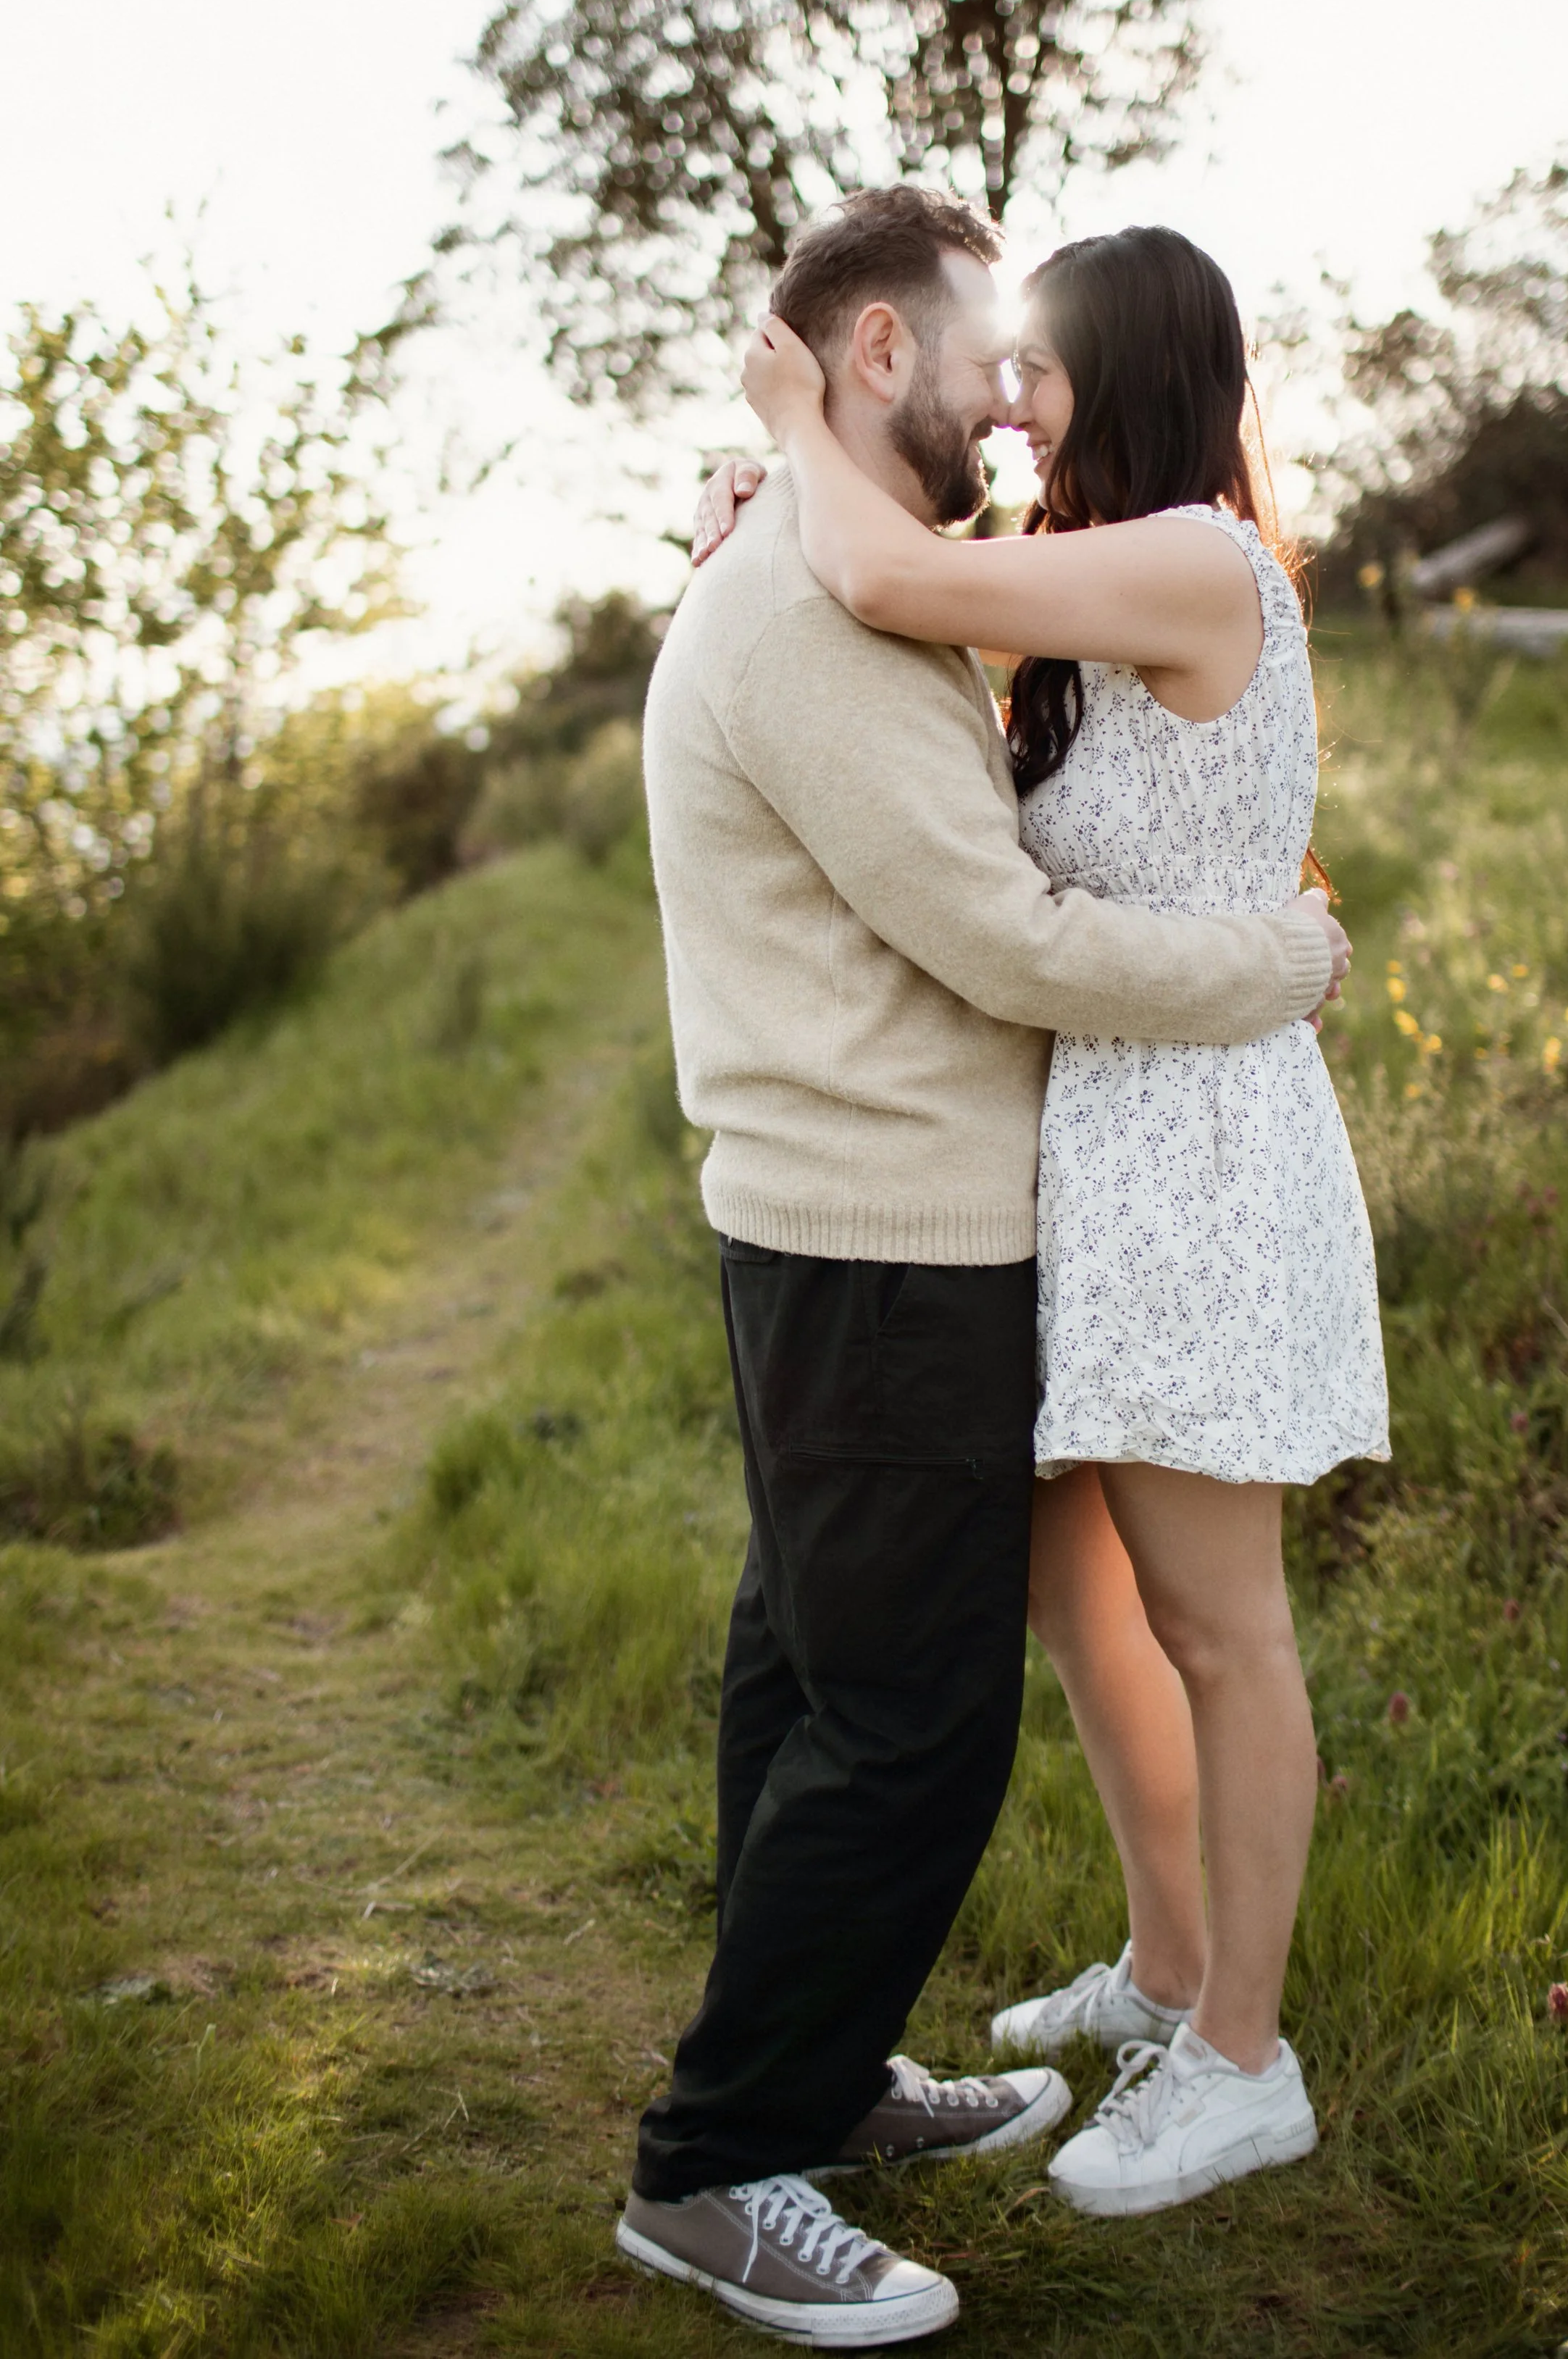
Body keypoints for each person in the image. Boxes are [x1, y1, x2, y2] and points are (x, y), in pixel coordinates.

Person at [622, 186, 1350, 2345]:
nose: (1006, 396)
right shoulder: (834, 583)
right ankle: (737, 2142)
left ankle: (1086, 2055)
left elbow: (914, 603)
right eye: (977, 357)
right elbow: (1006, 926)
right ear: (876, 355)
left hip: (1080, 1183)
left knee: (899, 1668)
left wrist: (788, 475)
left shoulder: (1102, 568)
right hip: (908, 1215)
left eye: (1036, 364)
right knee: (898, 1703)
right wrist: (1277, 958)